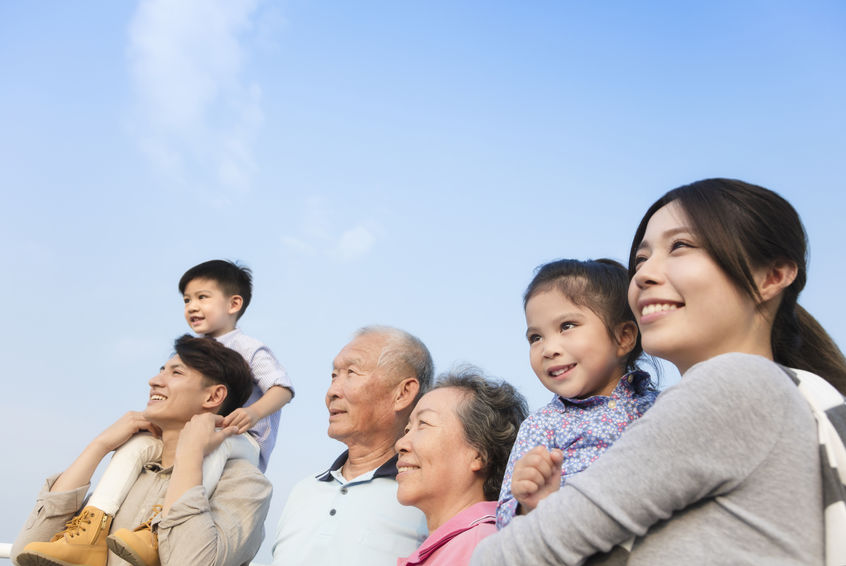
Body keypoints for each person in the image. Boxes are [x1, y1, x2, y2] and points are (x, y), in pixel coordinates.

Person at [471, 178, 846, 565]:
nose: (644, 275)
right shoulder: (782, 396)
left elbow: (509, 557)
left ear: (772, 276)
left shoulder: (734, 385)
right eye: (641, 260)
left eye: (680, 246)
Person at [24, 260, 293, 566]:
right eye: (187, 300)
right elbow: (26, 551)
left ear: (234, 303)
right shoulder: (195, 347)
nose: (192, 306)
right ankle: (91, 526)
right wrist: (101, 444)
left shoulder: (249, 347)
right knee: (134, 446)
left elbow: (282, 387)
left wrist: (253, 413)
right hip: (200, 437)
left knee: (214, 450)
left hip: (239, 434)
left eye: (203, 297)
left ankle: (156, 527)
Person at [12, 334, 272, 566]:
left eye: (176, 373)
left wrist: (191, 453)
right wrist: (99, 445)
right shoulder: (126, 476)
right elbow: (25, 553)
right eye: (161, 370)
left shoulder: (245, 486)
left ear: (213, 397)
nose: (154, 381)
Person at [496, 258, 658, 528]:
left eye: (567, 326)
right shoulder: (543, 425)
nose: (548, 349)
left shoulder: (661, 406)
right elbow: (504, 521)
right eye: (536, 337)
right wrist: (529, 504)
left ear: (624, 337)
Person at [272, 326, 432, 566]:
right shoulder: (303, 491)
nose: (332, 392)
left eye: (352, 372)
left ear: (403, 393)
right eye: (334, 375)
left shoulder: (427, 498)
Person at [395, 369, 527, 566]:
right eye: (407, 429)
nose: (400, 444)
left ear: (480, 453)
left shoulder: (482, 547)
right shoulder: (459, 546)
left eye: (423, 424)